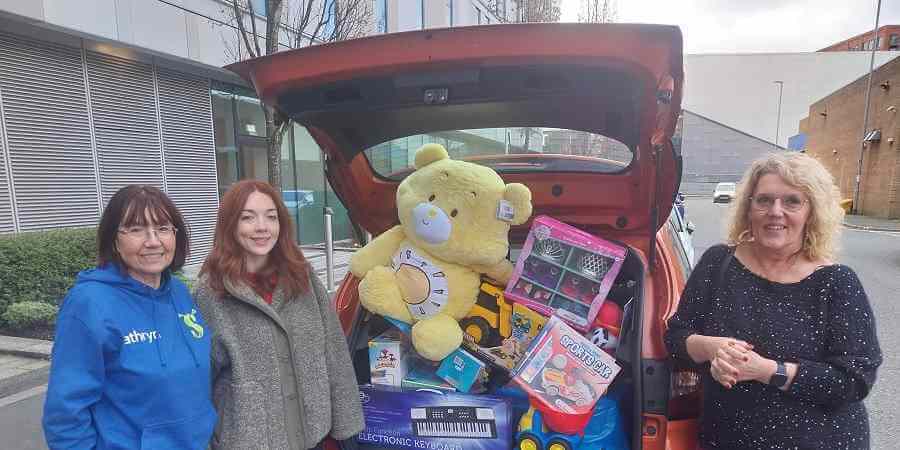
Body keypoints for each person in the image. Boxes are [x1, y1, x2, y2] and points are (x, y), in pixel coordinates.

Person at [665, 153, 882, 450]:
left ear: (812, 212)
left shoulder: (837, 282)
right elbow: (676, 337)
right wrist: (711, 349)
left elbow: (854, 381)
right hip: (727, 440)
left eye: (792, 201)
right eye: (764, 200)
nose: (775, 211)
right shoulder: (718, 264)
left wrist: (765, 369)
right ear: (748, 207)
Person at [194, 180, 364, 450]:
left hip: (316, 435)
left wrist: (346, 427)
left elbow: (334, 354)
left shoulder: (303, 277)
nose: (262, 227)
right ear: (230, 225)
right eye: (248, 217)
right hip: (250, 441)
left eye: (271, 217)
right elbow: (200, 381)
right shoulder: (210, 292)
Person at [43, 185, 216, 449]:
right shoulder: (89, 305)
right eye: (136, 230)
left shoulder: (179, 293)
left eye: (163, 228)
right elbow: (66, 414)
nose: (153, 241)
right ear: (114, 240)